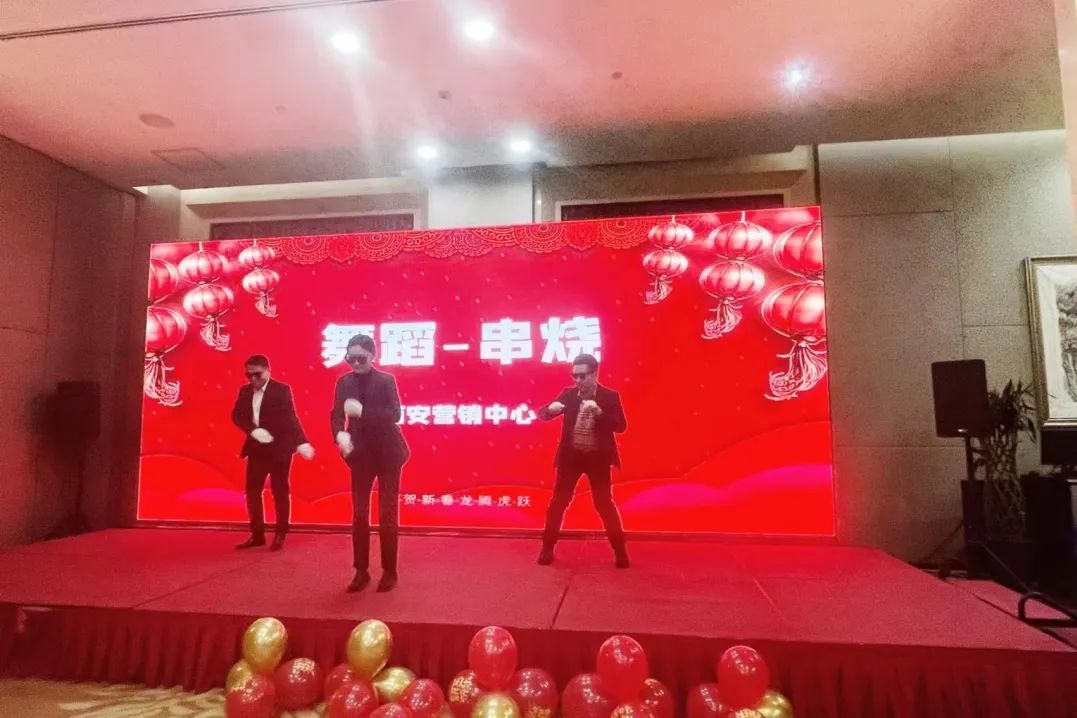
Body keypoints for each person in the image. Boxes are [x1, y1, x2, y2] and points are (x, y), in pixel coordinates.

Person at [331, 334, 410, 593]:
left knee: (387, 514)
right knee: (359, 514)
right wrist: (339, 435)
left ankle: (389, 570)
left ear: (372, 356)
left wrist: (363, 413)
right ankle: (361, 571)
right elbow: (336, 414)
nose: (355, 363)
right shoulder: (343, 382)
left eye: (360, 358)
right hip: (360, 455)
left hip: (387, 452)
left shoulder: (386, 380)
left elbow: (395, 414)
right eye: (350, 358)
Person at [536, 353, 630, 568]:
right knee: (559, 502)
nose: (577, 380)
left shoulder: (609, 396)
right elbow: (542, 414)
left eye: (582, 376)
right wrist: (549, 410)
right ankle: (547, 547)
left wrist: (599, 412)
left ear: (594, 374)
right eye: (574, 376)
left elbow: (621, 426)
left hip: (598, 459)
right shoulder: (569, 395)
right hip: (571, 458)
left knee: (604, 504)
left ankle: (620, 551)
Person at [231, 354, 314, 551]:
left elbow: (290, 418)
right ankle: (257, 534)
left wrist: (302, 442)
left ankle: (280, 534)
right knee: (252, 492)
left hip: (280, 449)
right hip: (256, 448)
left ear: (268, 371)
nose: (253, 379)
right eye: (248, 375)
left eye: (257, 374)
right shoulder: (245, 391)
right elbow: (237, 415)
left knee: (280, 491)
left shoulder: (281, 390)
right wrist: (253, 430)